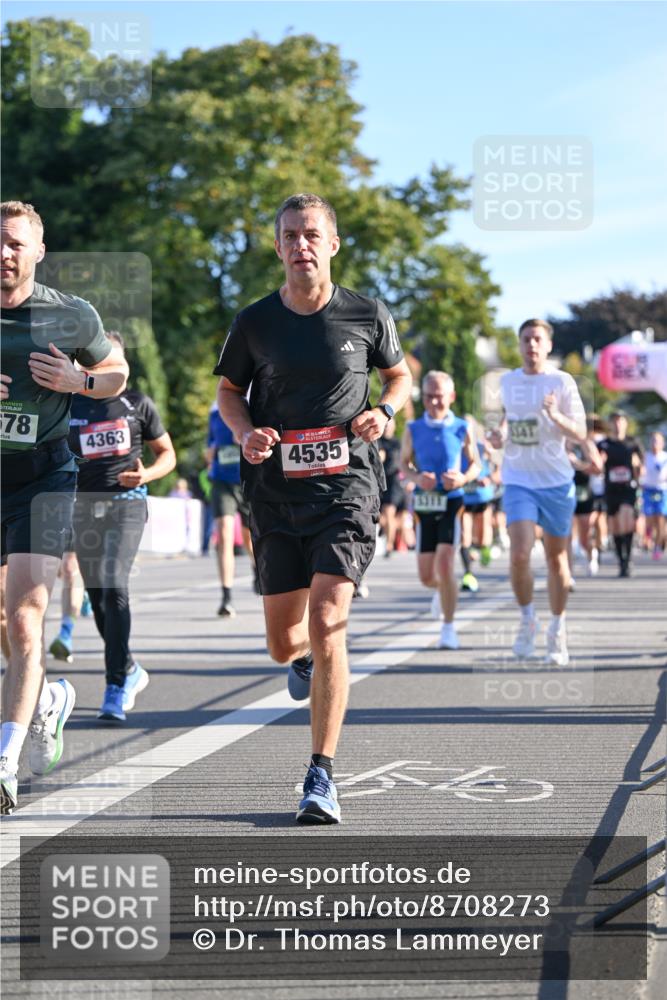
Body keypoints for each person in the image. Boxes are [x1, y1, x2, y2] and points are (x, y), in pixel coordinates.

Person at [215, 192, 412, 824]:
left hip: (347, 486)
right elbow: (228, 391)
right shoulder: (254, 321)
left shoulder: (366, 313)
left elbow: (399, 377)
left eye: (312, 234)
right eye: (290, 235)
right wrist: (246, 432)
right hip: (275, 492)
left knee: (329, 619)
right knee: (283, 644)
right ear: (278, 247)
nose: (302, 244)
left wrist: (383, 412)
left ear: (332, 244)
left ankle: (320, 775)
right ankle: (301, 661)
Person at [0, 201, 128, 814]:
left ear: (37, 251)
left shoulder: (70, 315)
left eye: (15, 244)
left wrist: (78, 383)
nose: (4, 254)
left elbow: (116, 374)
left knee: (26, 616)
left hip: (44, 477)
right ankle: (47, 698)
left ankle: (5, 763)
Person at [68, 332, 176, 721]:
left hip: (126, 505)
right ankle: (129, 668)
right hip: (82, 509)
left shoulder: (137, 404)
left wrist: (147, 474)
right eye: (102, 363)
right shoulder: (70, 403)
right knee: (97, 600)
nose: (111, 370)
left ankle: (115, 684)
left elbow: (168, 455)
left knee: (114, 584)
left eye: (117, 363)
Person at [487, 318, 586, 667]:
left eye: (537, 340)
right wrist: (499, 435)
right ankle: (528, 619)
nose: (531, 345)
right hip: (518, 479)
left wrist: (556, 416)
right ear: (519, 345)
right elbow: (508, 421)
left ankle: (557, 628)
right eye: (526, 339)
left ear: (547, 346)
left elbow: (580, 432)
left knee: (557, 559)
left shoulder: (561, 381)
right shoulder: (509, 381)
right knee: (519, 553)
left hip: (556, 481)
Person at [400, 371, 480, 648]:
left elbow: (476, 465)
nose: (434, 403)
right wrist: (416, 478)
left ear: (452, 397)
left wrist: (463, 478)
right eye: (428, 397)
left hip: (452, 501)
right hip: (424, 503)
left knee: (446, 563)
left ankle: (448, 628)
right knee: (427, 576)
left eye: (439, 397)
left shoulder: (461, 427)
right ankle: (443, 592)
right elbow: (403, 465)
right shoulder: (412, 428)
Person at [206, 402, 257, 615]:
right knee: (224, 534)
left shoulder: (254, 405)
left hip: (249, 480)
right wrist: (211, 453)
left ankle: (257, 568)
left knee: (250, 538)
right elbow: (209, 446)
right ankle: (226, 596)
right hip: (221, 480)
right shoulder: (216, 412)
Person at [598, 410, 643, 577]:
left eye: (620, 421)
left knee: (627, 521)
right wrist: (599, 463)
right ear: (610, 424)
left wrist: (637, 466)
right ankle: (621, 560)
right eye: (614, 421)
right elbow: (596, 466)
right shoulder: (603, 444)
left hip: (628, 489)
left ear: (625, 423)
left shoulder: (633, 443)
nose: (617, 424)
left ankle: (628, 558)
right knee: (615, 526)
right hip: (611, 489)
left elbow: (641, 468)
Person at [567, 417, 603, 579]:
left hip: (583, 492)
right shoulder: (559, 442)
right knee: (566, 535)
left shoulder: (586, 444)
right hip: (563, 491)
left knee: (584, 535)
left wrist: (578, 464)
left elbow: (598, 469)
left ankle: (591, 553)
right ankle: (567, 575)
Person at [378, 418, 405, 558]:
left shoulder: (398, 443)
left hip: (394, 481)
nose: (387, 428)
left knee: (389, 511)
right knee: (379, 515)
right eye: (386, 425)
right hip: (379, 479)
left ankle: (389, 545)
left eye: (390, 425)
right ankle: (384, 529)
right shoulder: (378, 441)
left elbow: (405, 461)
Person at [641, 431, 667, 560]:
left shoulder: (665, 457)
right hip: (648, 490)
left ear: (662, 443)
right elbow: (640, 472)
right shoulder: (646, 457)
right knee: (650, 519)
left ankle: (657, 547)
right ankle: (648, 536)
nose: (655, 443)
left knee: (661, 520)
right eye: (653, 440)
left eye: (657, 441)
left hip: (662, 491)